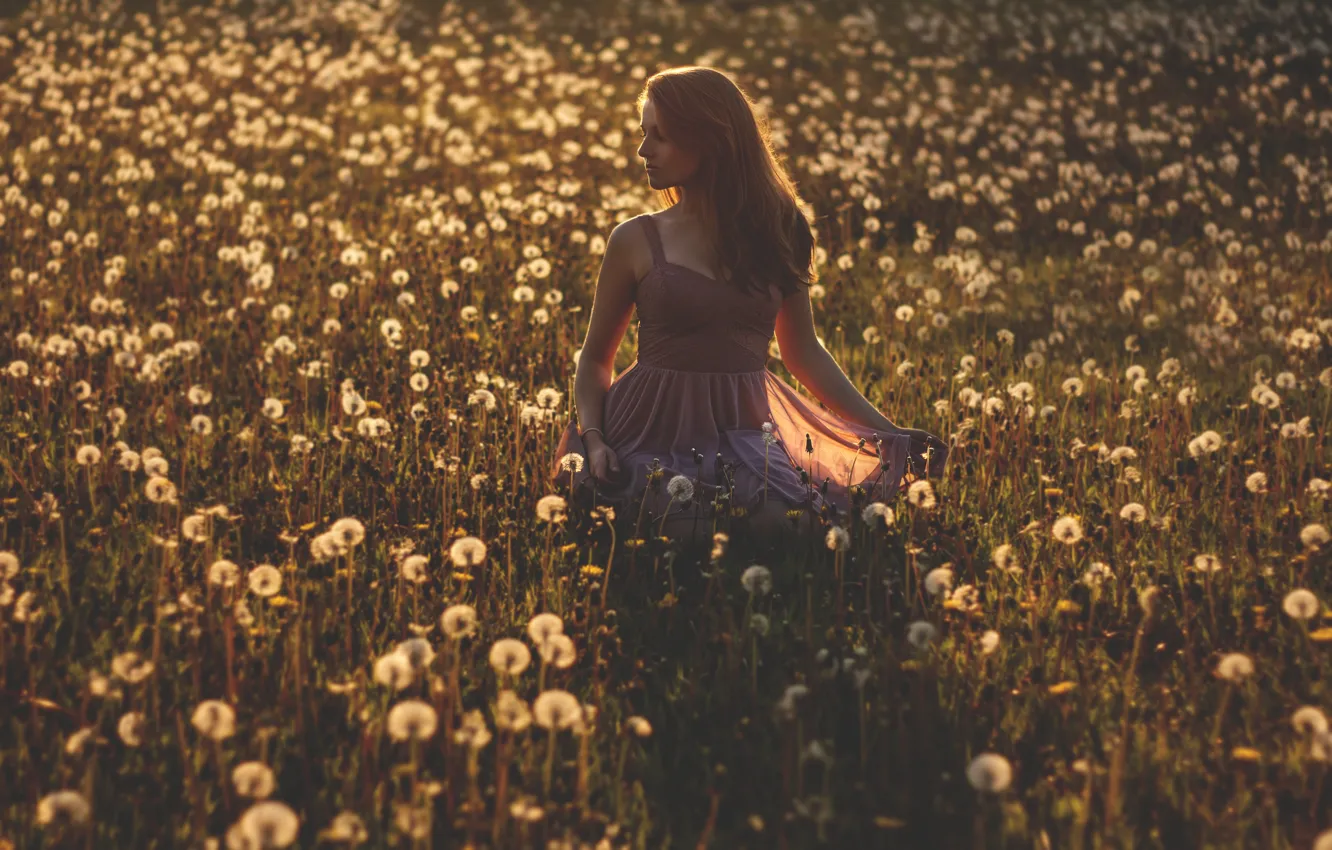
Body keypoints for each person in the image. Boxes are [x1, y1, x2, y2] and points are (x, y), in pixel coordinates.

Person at [548, 66, 948, 558]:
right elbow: (594, 361)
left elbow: (803, 354)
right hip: (649, 429)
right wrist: (593, 441)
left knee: (784, 529)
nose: (642, 151)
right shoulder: (634, 239)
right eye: (642, 134)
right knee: (686, 531)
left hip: (744, 432)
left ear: (711, 141)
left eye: (661, 136)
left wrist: (887, 434)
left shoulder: (784, 231)